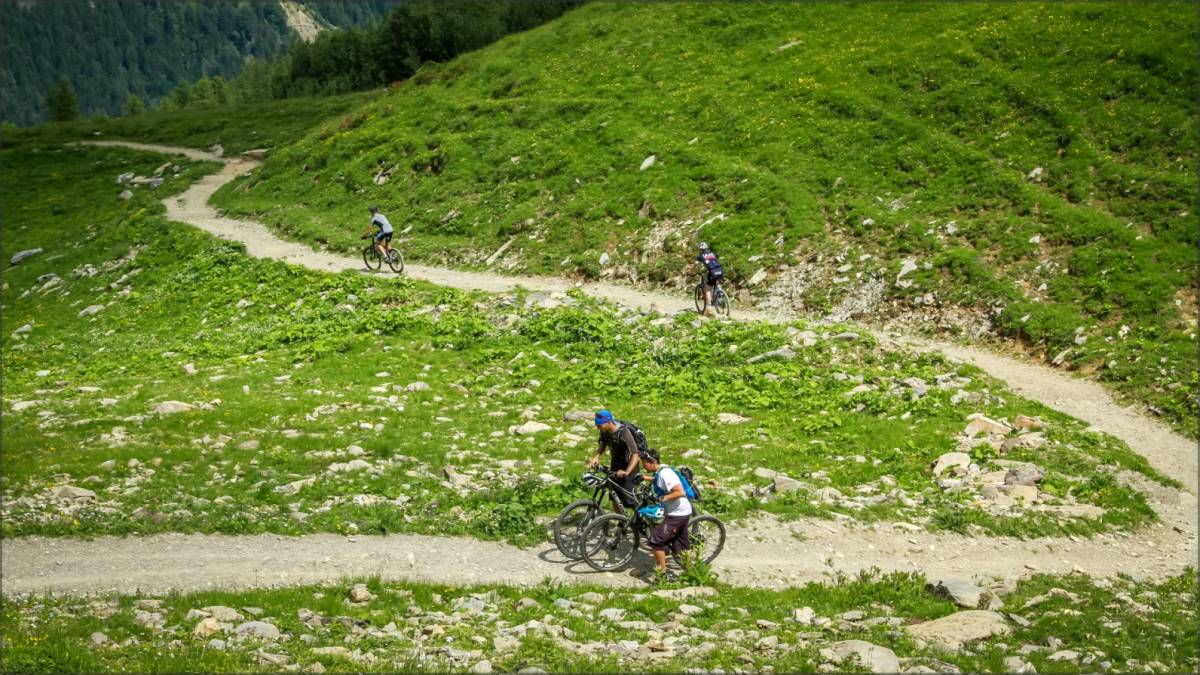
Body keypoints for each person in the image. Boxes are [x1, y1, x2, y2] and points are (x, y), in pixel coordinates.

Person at [641, 448, 692, 583]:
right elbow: (658, 480)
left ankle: (662, 576)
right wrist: (644, 478)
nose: (643, 466)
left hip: (677, 514)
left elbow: (680, 492)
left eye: (645, 464)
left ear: (652, 462)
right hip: (681, 512)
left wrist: (661, 498)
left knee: (656, 541)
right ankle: (692, 572)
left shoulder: (665, 473)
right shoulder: (660, 471)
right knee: (681, 544)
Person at [585, 409, 644, 511]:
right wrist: (596, 456)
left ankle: (639, 518)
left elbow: (635, 455)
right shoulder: (604, 431)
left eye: (599, 425)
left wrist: (627, 472)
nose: (597, 428)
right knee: (615, 496)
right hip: (616, 465)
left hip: (630, 467)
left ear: (608, 422)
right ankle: (618, 519)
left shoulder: (624, 433)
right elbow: (603, 443)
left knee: (630, 499)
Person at [695, 242, 724, 315]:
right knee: (716, 282)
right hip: (720, 270)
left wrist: (694, 270)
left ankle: (709, 307)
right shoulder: (713, 253)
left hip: (712, 272)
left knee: (707, 289)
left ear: (700, 249)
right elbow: (714, 259)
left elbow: (697, 263)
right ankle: (720, 293)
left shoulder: (700, 256)